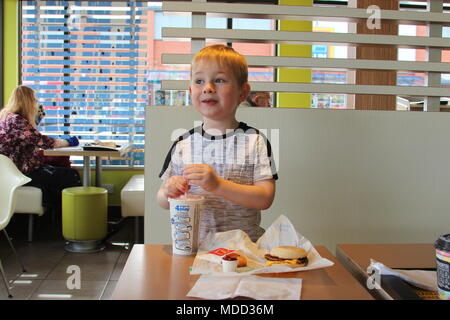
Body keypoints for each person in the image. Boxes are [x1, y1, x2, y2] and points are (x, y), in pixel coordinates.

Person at [157, 45, 278, 242]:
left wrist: (218, 185)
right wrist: (169, 191)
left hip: (245, 253)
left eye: (219, 80)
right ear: (190, 91)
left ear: (242, 92)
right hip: (194, 250)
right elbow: (162, 199)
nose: (208, 87)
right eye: (199, 81)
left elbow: (265, 198)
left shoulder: (255, 142)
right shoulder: (183, 144)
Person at [0, 85, 82, 211]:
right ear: (27, 101)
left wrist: (35, 121)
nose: (36, 103)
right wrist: (68, 142)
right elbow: (42, 141)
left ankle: (55, 217)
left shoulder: (6, 116)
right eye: (34, 99)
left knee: (59, 175)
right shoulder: (17, 121)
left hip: (11, 171)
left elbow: (28, 139)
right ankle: (72, 216)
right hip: (20, 172)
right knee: (71, 176)